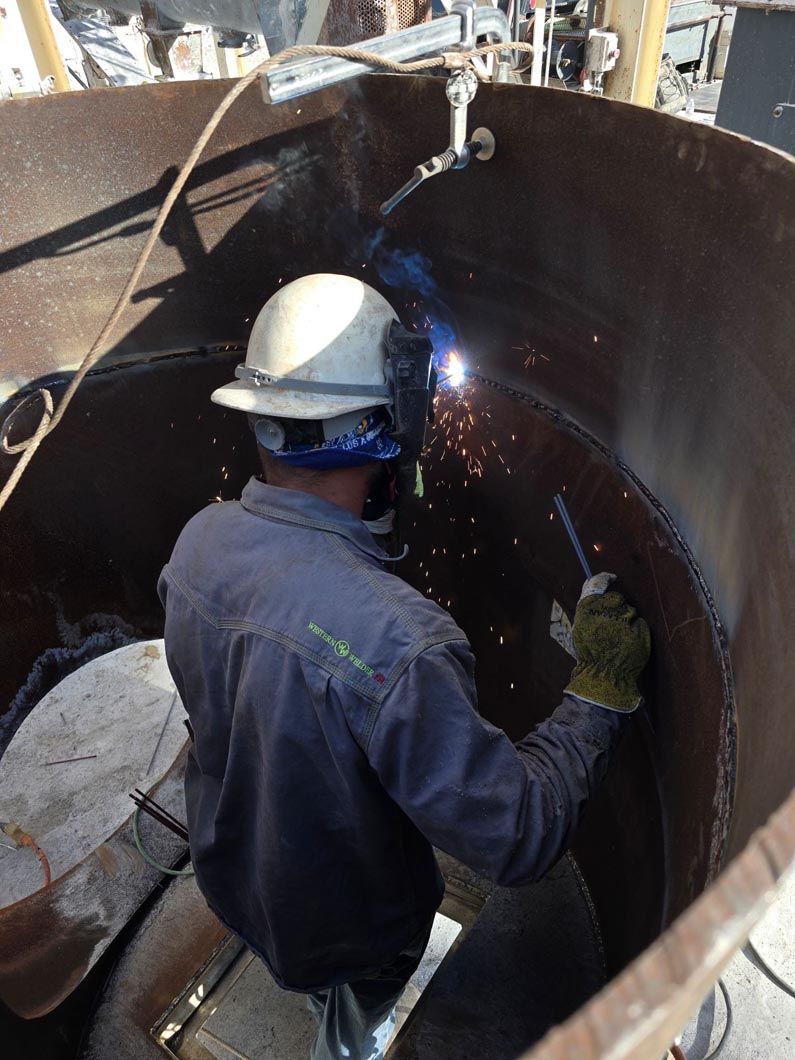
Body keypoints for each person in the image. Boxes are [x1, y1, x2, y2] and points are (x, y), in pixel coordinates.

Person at [158, 273, 651, 1060]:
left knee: (311, 974)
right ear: (381, 428)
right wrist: (599, 693)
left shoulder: (198, 543)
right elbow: (516, 835)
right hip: (353, 936)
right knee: (348, 1022)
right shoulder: (400, 643)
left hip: (232, 876)